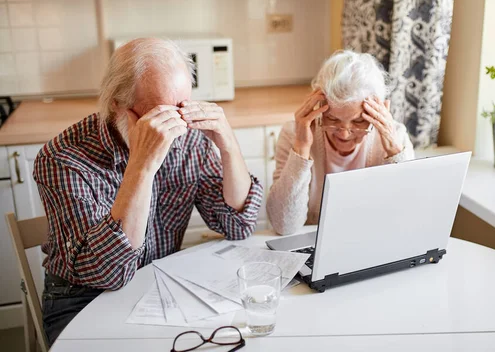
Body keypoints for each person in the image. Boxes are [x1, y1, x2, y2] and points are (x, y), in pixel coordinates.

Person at [33, 38, 263, 345]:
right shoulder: (62, 158)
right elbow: (109, 274)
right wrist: (141, 167)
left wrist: (227, 143)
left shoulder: (189, 139)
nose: (176, 125)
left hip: (158, 285)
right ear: (117, 102)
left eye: (183, 108)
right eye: (160, 114)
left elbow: (239, 225)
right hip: (81, 299)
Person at [266, 50, 415, 235]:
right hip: (312, 241)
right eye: (333, 120)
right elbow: (283, 226)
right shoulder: (294, 134)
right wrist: (301, 149)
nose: (344, 134)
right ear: (319, 106)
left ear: (378, 111)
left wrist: (394, 150)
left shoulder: (396, 136)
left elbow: (407, 217)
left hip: (371, 238)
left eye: (359, 122)